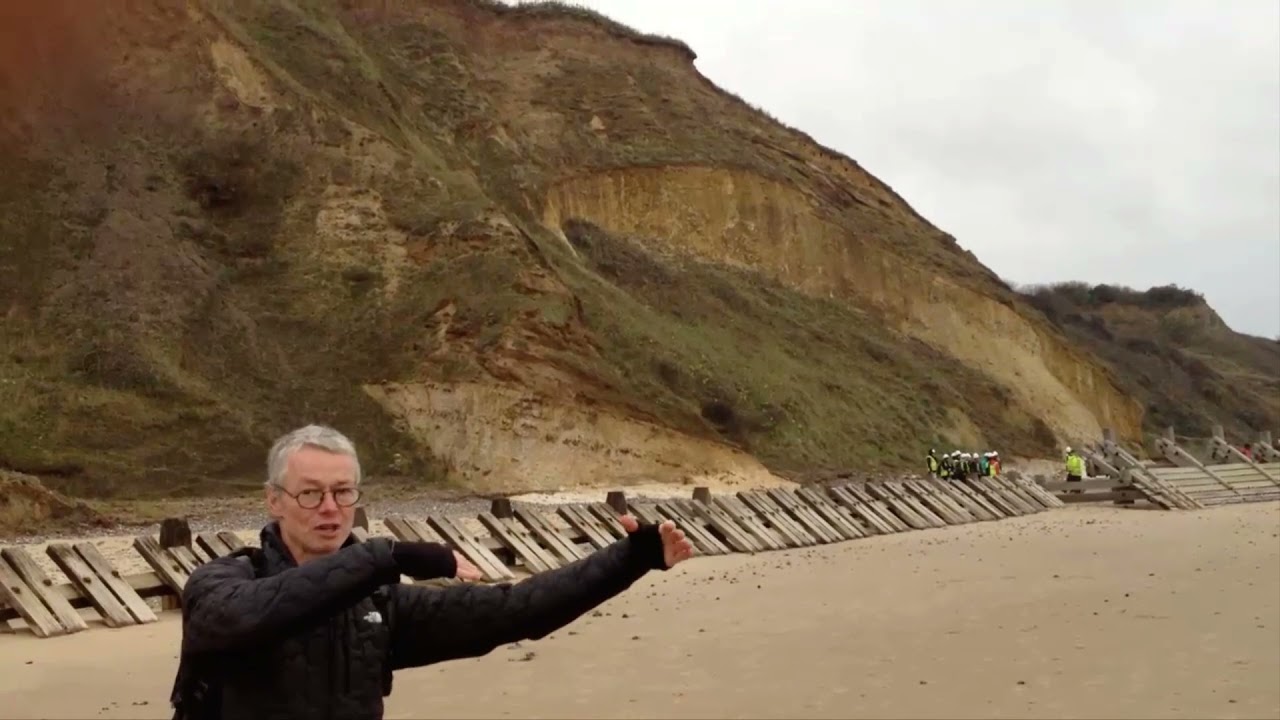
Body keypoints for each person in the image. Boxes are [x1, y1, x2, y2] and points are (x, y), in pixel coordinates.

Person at [170, 424, 695, 720]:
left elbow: (514, 610)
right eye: (310, 492)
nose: (329, 508)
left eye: (343, 491)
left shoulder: (378, 606)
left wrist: (629, 559)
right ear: (274, 502)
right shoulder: (221, 585)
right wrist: (388, 557)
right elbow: (249, 617)